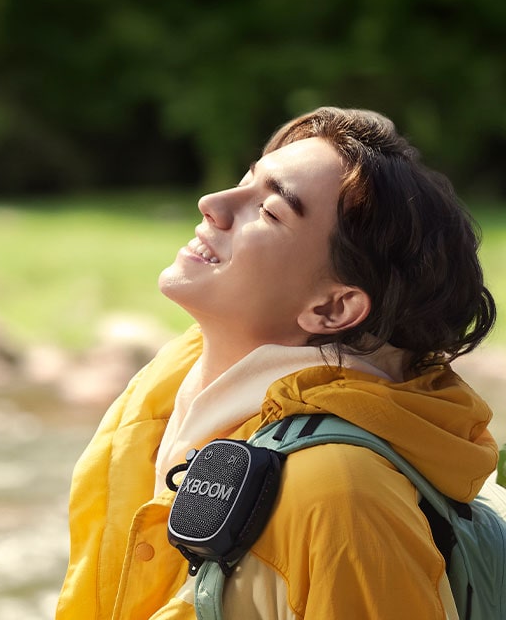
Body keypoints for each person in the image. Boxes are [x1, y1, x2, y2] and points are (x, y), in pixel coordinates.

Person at [56, 106, 498, 620]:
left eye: (270, 212)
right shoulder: (168, 384)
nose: (211, 204)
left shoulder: (341, 494)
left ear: (333, 308)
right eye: (246, 181)